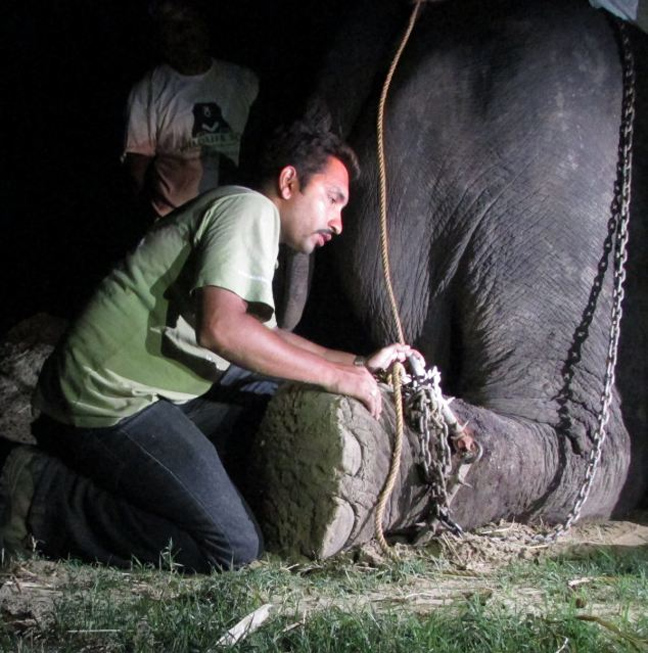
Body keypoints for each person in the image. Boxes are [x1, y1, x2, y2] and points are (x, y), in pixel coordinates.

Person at [0, 117, 421, 573]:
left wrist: (359, 362)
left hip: (151, 392)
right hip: (105, 399)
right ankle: (36, 492)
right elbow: (222, 330)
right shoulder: (247, 211)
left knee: (265, 403)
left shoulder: (250, 223)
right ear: (288, 181)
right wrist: (339, 377)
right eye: (333, 200)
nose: (339, 224)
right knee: (231, 547)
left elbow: (268, 338)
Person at [123, 0, 259, 217]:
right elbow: (137, 165)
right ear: (161, 37)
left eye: (189, 20)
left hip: (231, 215)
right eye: (172, 25)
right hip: (174, 219)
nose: (184, 31)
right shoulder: (149, 89)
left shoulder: (244, 81)